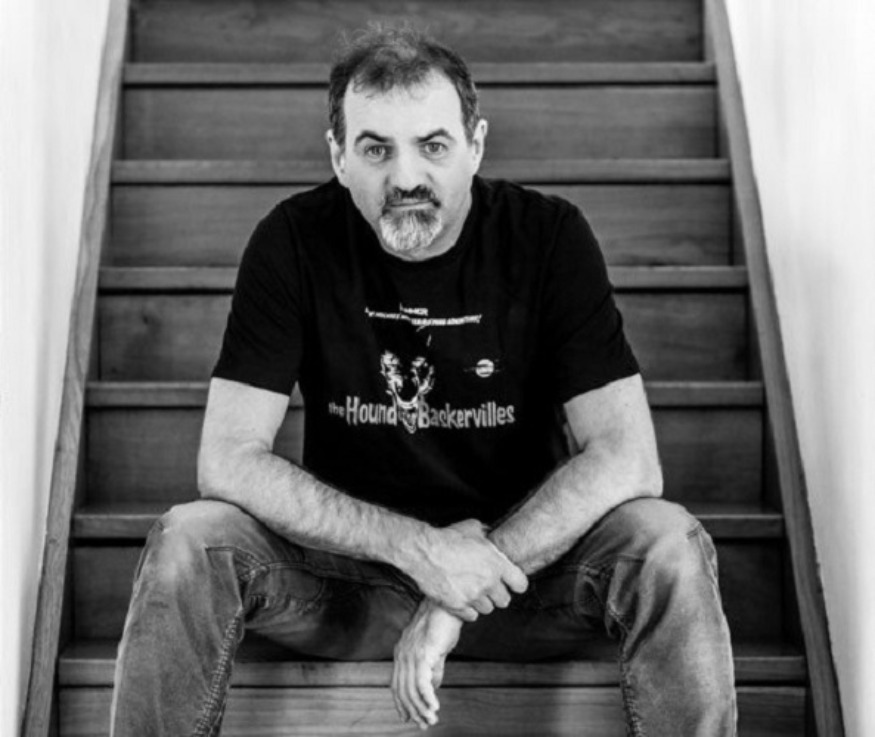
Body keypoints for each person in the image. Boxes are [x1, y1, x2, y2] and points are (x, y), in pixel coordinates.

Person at [110, 26, 737, 736]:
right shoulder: (292, 240)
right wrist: (419, 549)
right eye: (376, 149)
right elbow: (226, 460)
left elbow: (628, 456)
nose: (405, 177)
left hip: (523, 581)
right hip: (347, 582)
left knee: (667, 540)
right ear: (338, 156)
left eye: (433, 146)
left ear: (476, 144)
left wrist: (458, 587)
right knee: (190, 538)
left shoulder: (548, 237)